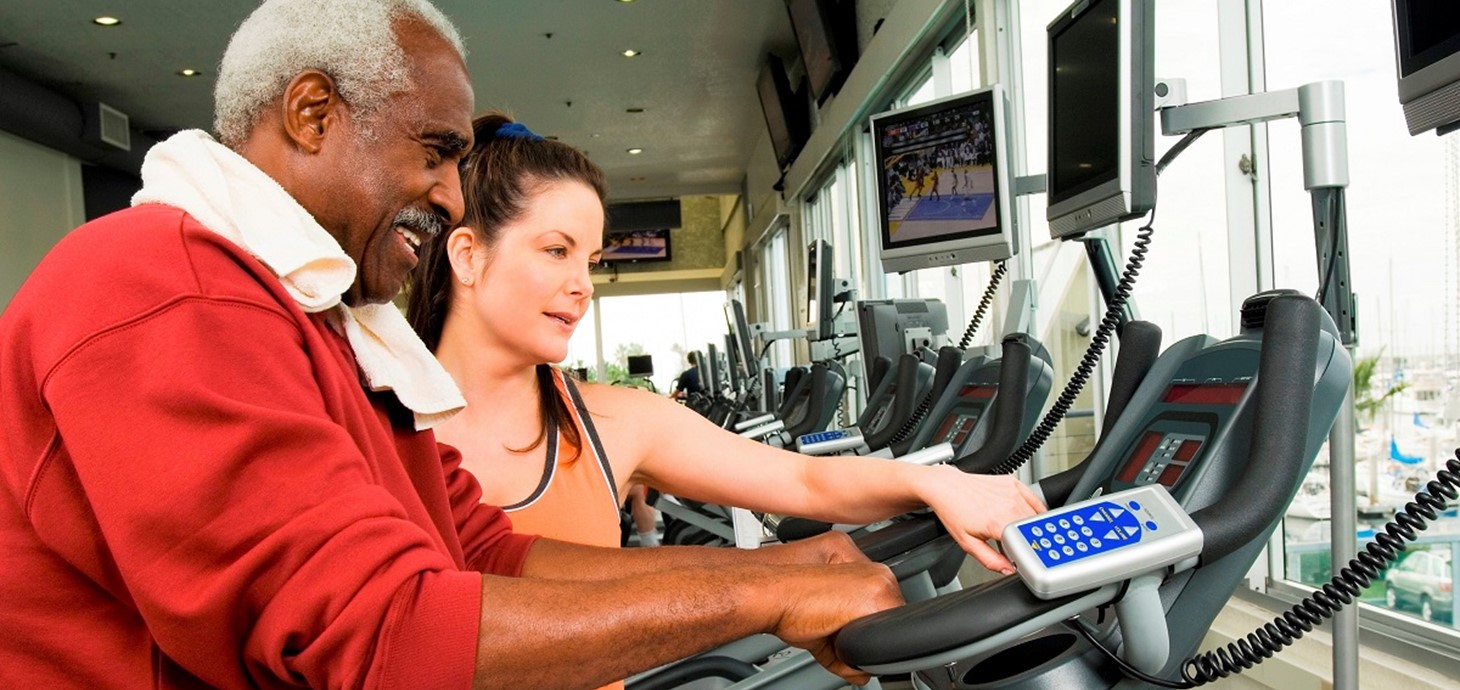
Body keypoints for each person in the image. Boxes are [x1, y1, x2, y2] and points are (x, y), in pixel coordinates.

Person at [0, 2, 904, 688]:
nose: (451, 198)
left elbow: (479, 550)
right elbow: (376, 633)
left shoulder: (321, 320)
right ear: (313, 114)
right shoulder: (165, 285)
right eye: (433, 152)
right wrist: (764, 597)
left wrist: (783, 564)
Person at [407, 111, 1046, 584]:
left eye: (592, 262)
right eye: (556, 250)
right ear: (467, 254)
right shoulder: (364, 425)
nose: (581, 287)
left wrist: (938, 482)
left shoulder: (611, 423)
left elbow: (804, 478)